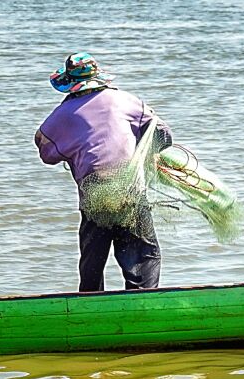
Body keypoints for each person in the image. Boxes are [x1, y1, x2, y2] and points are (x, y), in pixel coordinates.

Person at [35, 52, 172, 292]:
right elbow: (163, 134)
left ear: (70, 83)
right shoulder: (126, 100)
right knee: (143, 255)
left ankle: (91, 302)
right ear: (98, 77)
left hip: (93, 192)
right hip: (129, 188)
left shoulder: (62, 114)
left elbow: (46, 151)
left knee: (93, 256)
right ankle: (143, 300)